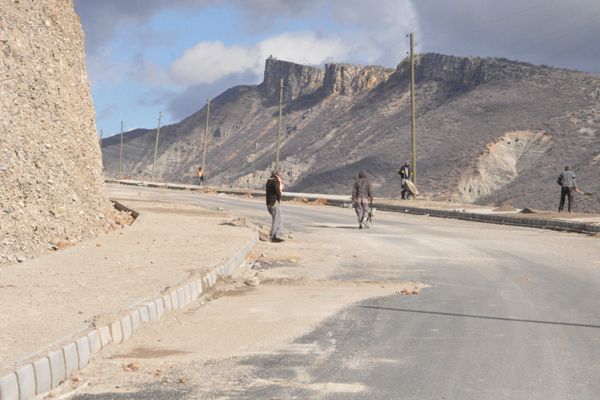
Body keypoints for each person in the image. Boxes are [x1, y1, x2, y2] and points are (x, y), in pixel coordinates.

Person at [265, 171, 285, 242]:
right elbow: (278, 191)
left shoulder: (268, 181)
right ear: (277, 176)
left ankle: (279, 235)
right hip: (274, 203)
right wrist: (281, 187)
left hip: (268, 203)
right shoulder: (275, 181)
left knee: (280, 218)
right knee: (276, 220)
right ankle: (272, 236)